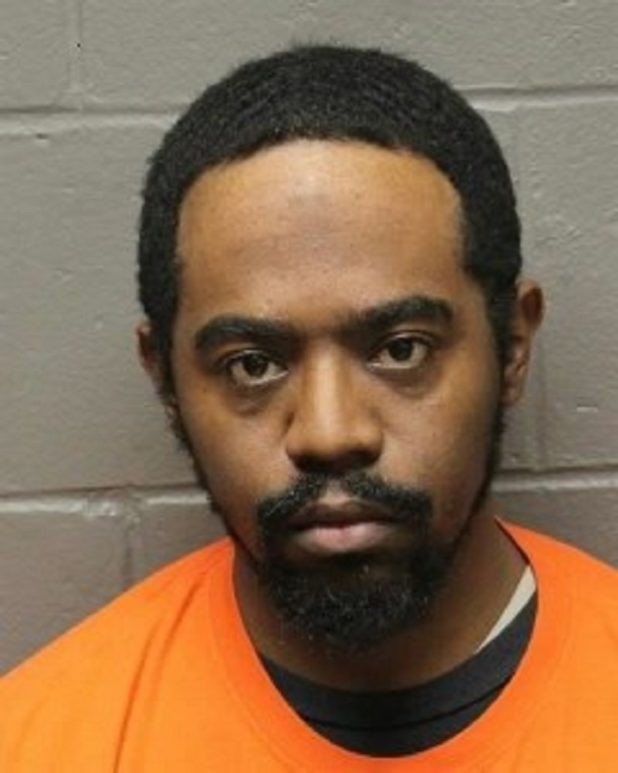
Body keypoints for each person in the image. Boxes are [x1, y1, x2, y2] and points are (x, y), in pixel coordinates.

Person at [1, 44, 616, 771]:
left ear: (511, 346)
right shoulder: (38, 744)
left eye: (401, 349)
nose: (330, 433)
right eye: (252, 365)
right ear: (165, 382)